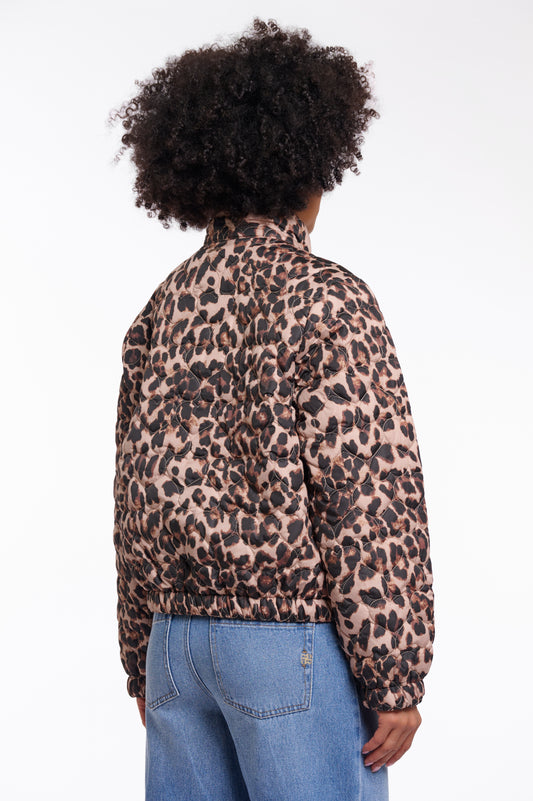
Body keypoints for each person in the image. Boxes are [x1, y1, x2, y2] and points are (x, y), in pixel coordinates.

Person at [107, 16, 435, 801]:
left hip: (174, 645)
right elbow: (366, 494)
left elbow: (135, 490)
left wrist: (140, 654)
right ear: (308, 169)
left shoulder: (162, 307)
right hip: (286, 645)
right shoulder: (326, 299)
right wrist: (393, 671)